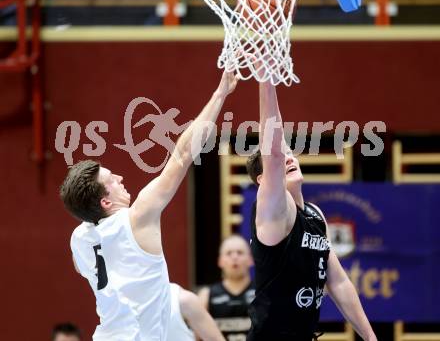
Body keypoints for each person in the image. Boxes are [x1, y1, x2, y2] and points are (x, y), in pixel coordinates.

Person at [60, 71, 238, 341]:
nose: (120, 178)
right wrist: (219, 94)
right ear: (105, 202)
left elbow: (79, 262)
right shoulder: (137, 217)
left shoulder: (79, 239)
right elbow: (183, 154)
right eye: (112, 180)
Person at [245, 79, 377, 341]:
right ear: (264, 179)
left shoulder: (315, 214)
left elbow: (338, 282)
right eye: (282, 157)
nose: (289, 157)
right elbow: (273, 151)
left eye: (291, 152)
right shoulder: (273, 210)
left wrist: (370, 337)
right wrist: (266, 81)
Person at [199, 235, 255, 341]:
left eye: (240, 252)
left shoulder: (263, 293)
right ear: (220, 261)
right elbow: (196, 337)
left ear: (251, 260)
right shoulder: (206, 295)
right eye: (229, 253)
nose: (235, 257)